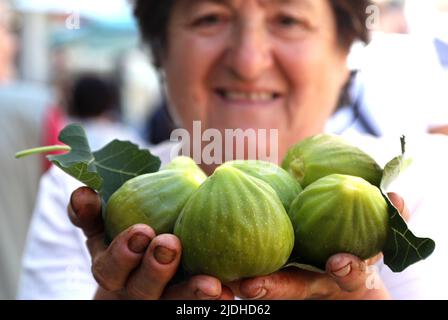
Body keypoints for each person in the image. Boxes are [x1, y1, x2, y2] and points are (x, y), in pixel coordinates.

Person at [18, 0, 448, 300]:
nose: (248, 61)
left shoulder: (425, 185)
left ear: (344, 51)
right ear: (160, 50)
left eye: (288, 19)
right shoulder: (80, 198)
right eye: (209, 17)